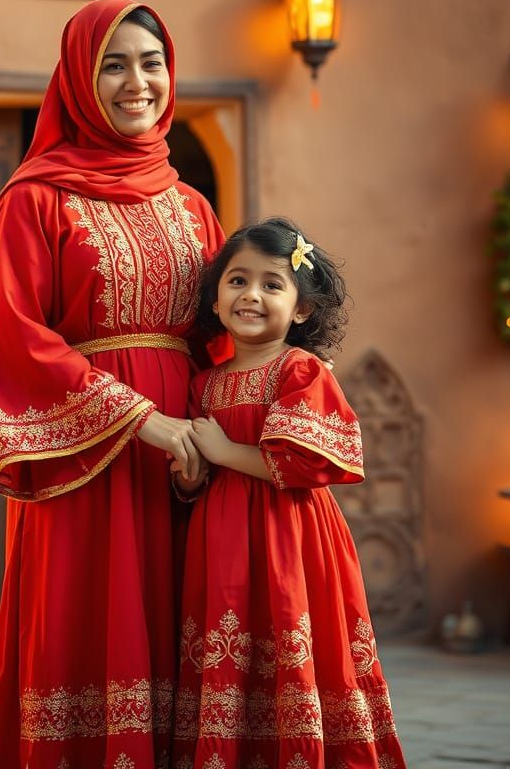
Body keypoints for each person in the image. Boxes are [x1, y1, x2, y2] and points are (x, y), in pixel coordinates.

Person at [0, 0, 223, 768]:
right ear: (79, 78)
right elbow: (14, 334)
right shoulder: (34, 198)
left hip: (186, 466)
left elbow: (220, 339)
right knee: (89, 634)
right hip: (84, 464)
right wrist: (142, 422)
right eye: (112, 64)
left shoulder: (193, 207)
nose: (135, 81)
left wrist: (224, 439)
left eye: (151, 63)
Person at [171, 217, 407, 768]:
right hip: (220, 539)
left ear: (301, 308)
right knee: (230, 642)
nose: (251, 295)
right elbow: (191, 474)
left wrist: (225, 451)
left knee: (290, 633)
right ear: (216, 295)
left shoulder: (300, 371)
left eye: (272, 284)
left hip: (291, 539)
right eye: (237, 281)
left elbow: (307, 463)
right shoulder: (204, 382)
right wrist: (189, 474)